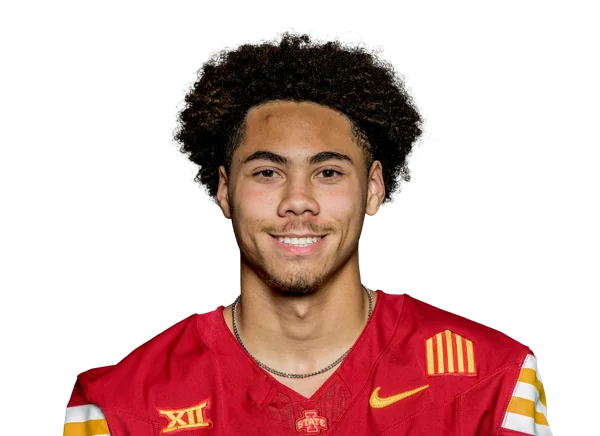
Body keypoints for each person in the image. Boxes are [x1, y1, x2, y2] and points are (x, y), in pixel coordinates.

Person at [63, 30, 550, 435]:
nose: (298, 200)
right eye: (267, 172)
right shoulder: (119, 407)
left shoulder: (493, 381)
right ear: (225, 192)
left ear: (373, 190)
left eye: (328, 172)